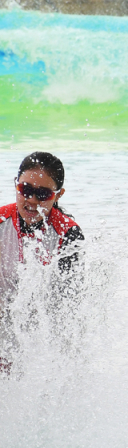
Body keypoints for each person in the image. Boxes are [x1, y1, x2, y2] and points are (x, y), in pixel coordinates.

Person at [0, 152, 84, 376]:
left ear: (58, 195)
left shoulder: (68, 234)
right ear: (16, 185)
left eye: (43, 194)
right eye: (26, 190)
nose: (32, 201)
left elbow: (66, 308)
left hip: (37, 334)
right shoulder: (1, 222)